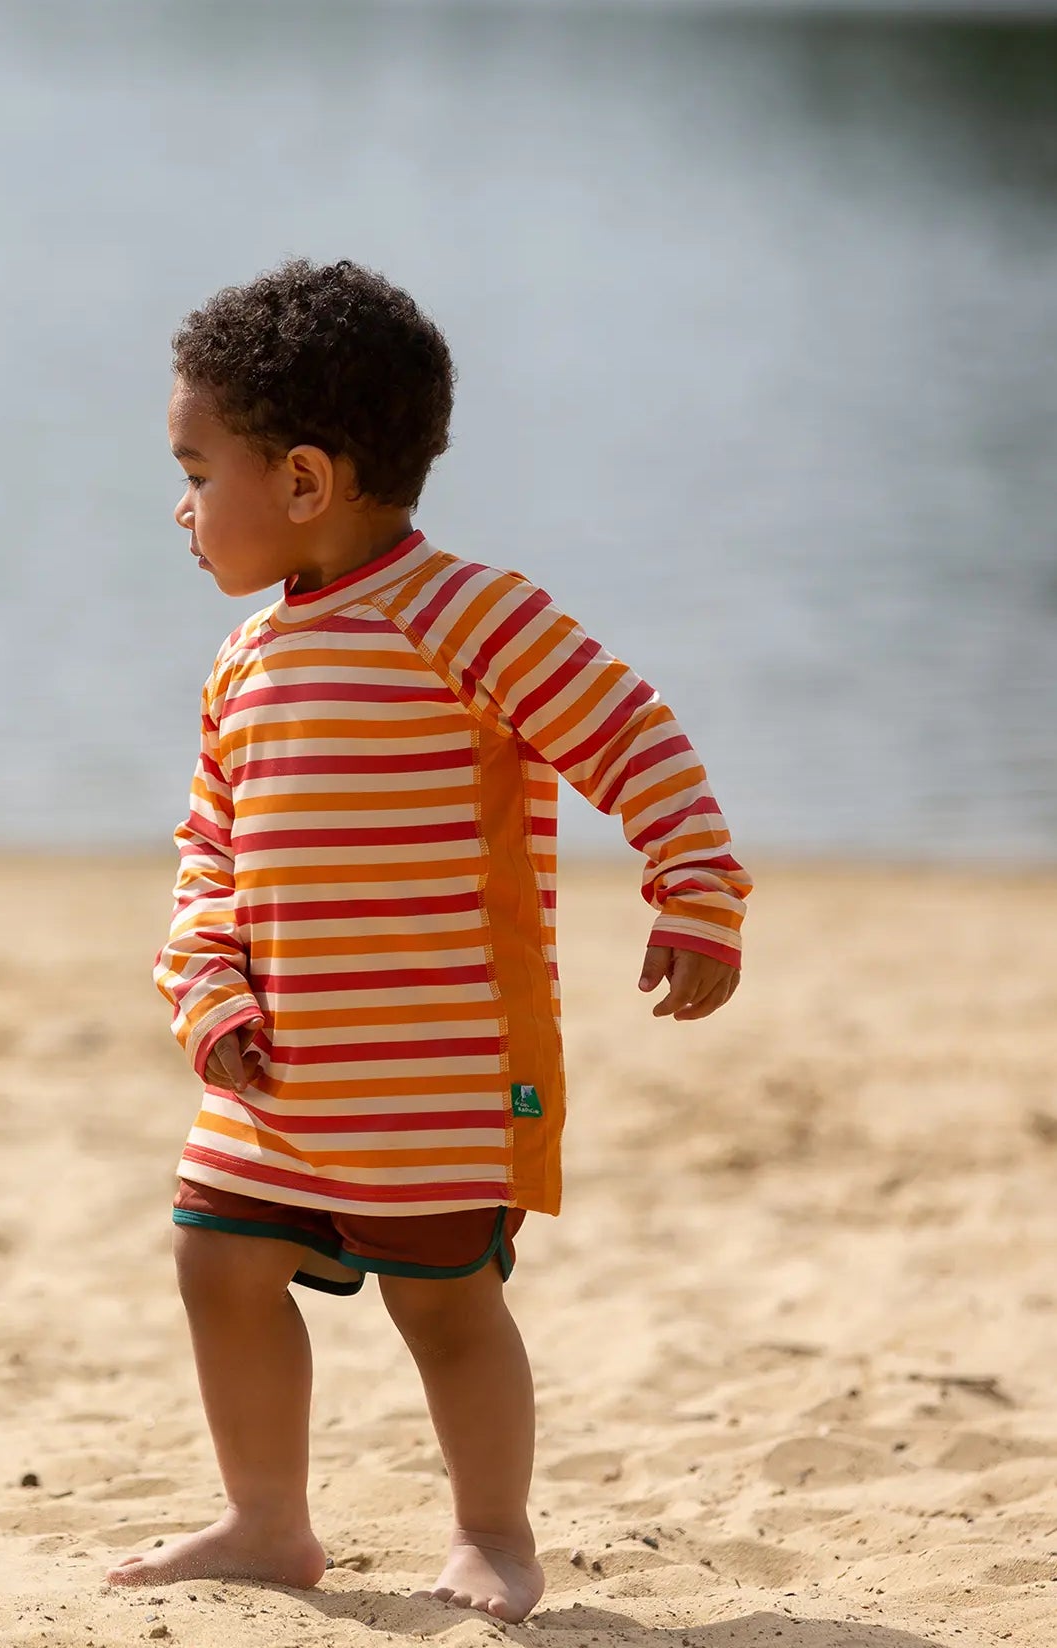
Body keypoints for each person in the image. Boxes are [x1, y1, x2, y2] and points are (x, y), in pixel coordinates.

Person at [107, 259, 751, 1624]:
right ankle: (268, 1521)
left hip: (434, 1064)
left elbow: (631, 736)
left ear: (300, 482)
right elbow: (206, 850)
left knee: (441, 1302)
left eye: (195, 466)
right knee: (214, 1258)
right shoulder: (244, 661)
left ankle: (493, 1535)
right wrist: (204, 983)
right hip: (271, 1066)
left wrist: (692, 884)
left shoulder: (470, 619)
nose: (178, 503)